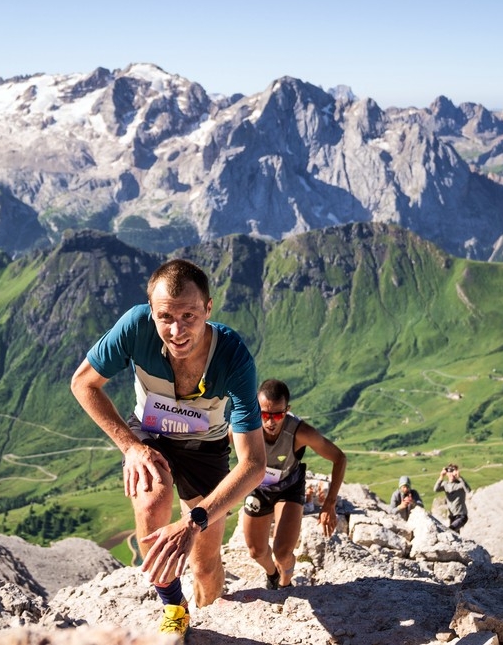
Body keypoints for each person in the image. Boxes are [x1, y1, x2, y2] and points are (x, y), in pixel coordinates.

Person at [69, 258, 265, 639]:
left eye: (189, 315)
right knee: (151, 499)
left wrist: (194, 521)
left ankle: (211, 613)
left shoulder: (233, 357)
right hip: (150, 435)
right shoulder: (135, 327)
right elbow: (83, 384)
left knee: (204, 562)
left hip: (206, 447)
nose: (176, 331)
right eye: (165, 317)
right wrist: (130, 447)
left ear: (209, 309)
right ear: (151, 312)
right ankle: (174, 607)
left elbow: (254, 463)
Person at [241, 379, 348, 590]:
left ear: (287, 410)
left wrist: (329, 504)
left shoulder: (300, 432)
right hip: (257, 487)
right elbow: (217, 451)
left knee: (282, 552)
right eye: (264, 415)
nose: (271, 422)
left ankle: (285, 583)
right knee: (256, 551)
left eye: (278, 415)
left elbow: (339, 458)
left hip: (288, 487)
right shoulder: (245, 426)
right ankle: (272, 573)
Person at [433, 463, 471, 531]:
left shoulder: (460, 484)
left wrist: (460, 477)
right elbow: (435, 489)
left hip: (461, 516)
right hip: (452, 517)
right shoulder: (445, 484)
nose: (452, 474)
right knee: (455, 536)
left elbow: (468, 490)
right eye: (450, 471)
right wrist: (441, 476)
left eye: (454, 471)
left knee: (450, 530)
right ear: (447, 473)